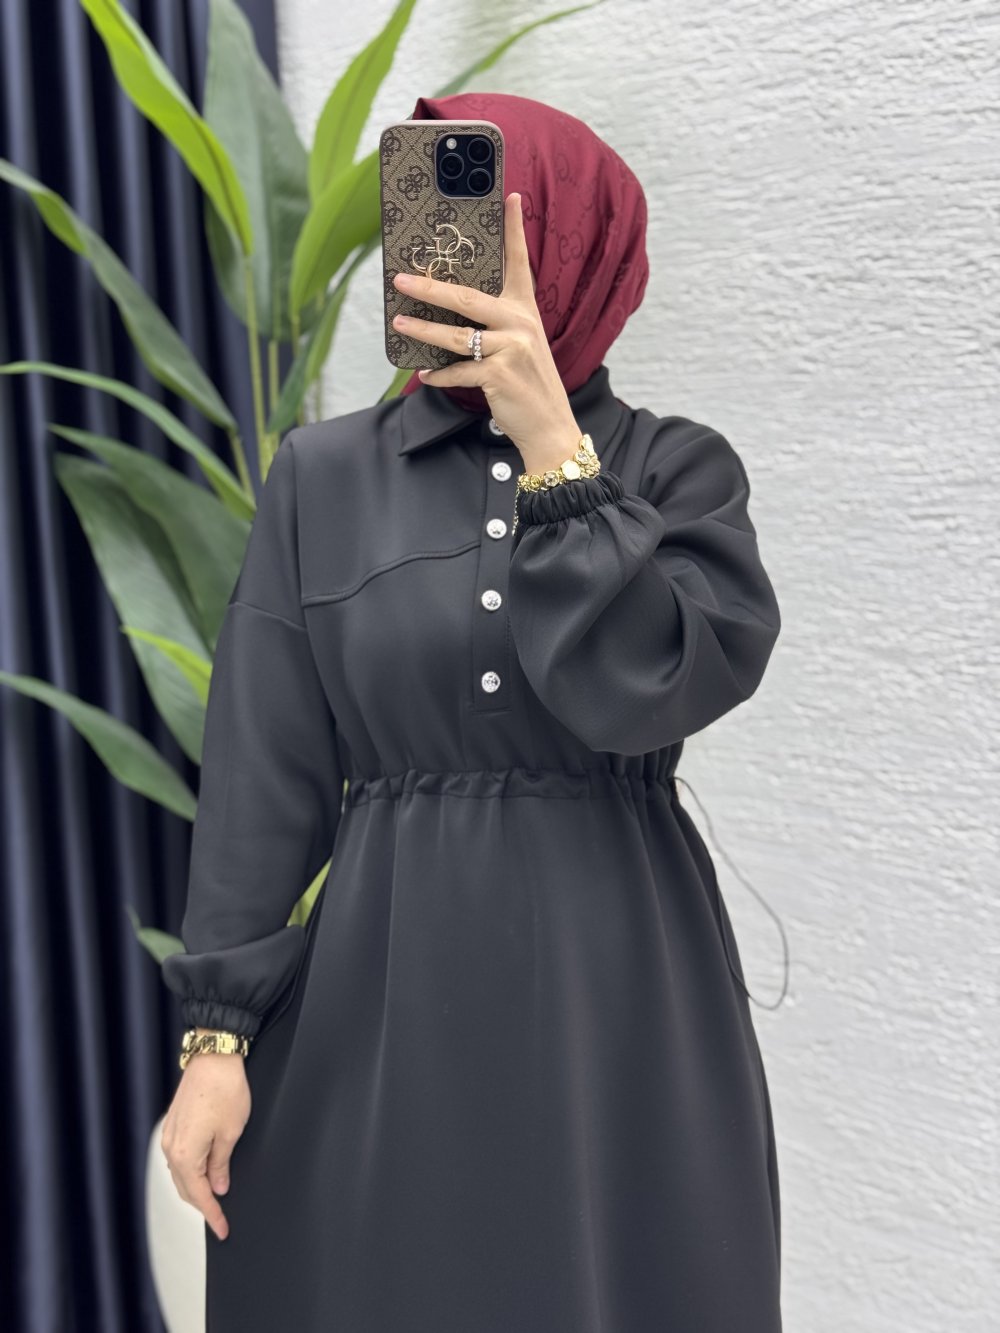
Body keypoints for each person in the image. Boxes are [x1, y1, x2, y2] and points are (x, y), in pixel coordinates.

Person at [160, 90, 784, 1332]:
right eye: (426, 220)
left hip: (622, 989)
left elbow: (654, 683)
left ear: (572, 245)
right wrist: (215, 1040)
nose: (444, 262)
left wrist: (552, 442)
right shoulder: (322, 478)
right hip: (387, 988)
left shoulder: (675, 470)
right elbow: (261, 772)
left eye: (493, 226)